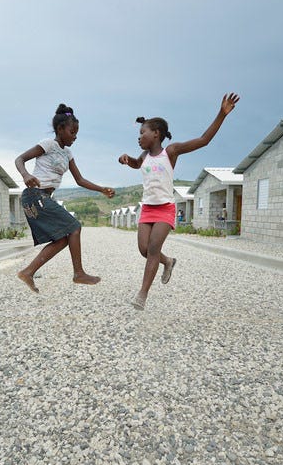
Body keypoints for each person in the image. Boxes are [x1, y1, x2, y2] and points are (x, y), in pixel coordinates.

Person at [120, 93, 240, 310]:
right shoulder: (144, 156)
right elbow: (137, 164)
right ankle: (167, 261)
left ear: (156, 134)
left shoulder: (171, 151)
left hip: (165, 208)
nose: (139, 137)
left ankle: (142, 295)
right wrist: (128, 160)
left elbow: (204, 140)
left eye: (142, 133)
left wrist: (221, 114)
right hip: (147, 208)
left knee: (154, 248)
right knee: (143, 249)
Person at [15, 104, 115, 293]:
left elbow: (80, 180)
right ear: (60, 129)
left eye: (77, 132)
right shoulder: (48, 144)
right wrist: (26, 175)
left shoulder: (68, 153)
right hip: (35, 195)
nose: (75, 136)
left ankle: (28, 272)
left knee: (63, 239)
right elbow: (19, 159)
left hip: (44, 197)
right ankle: (79, 274)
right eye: (72, 131)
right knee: (75, 227)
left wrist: (102, 189)